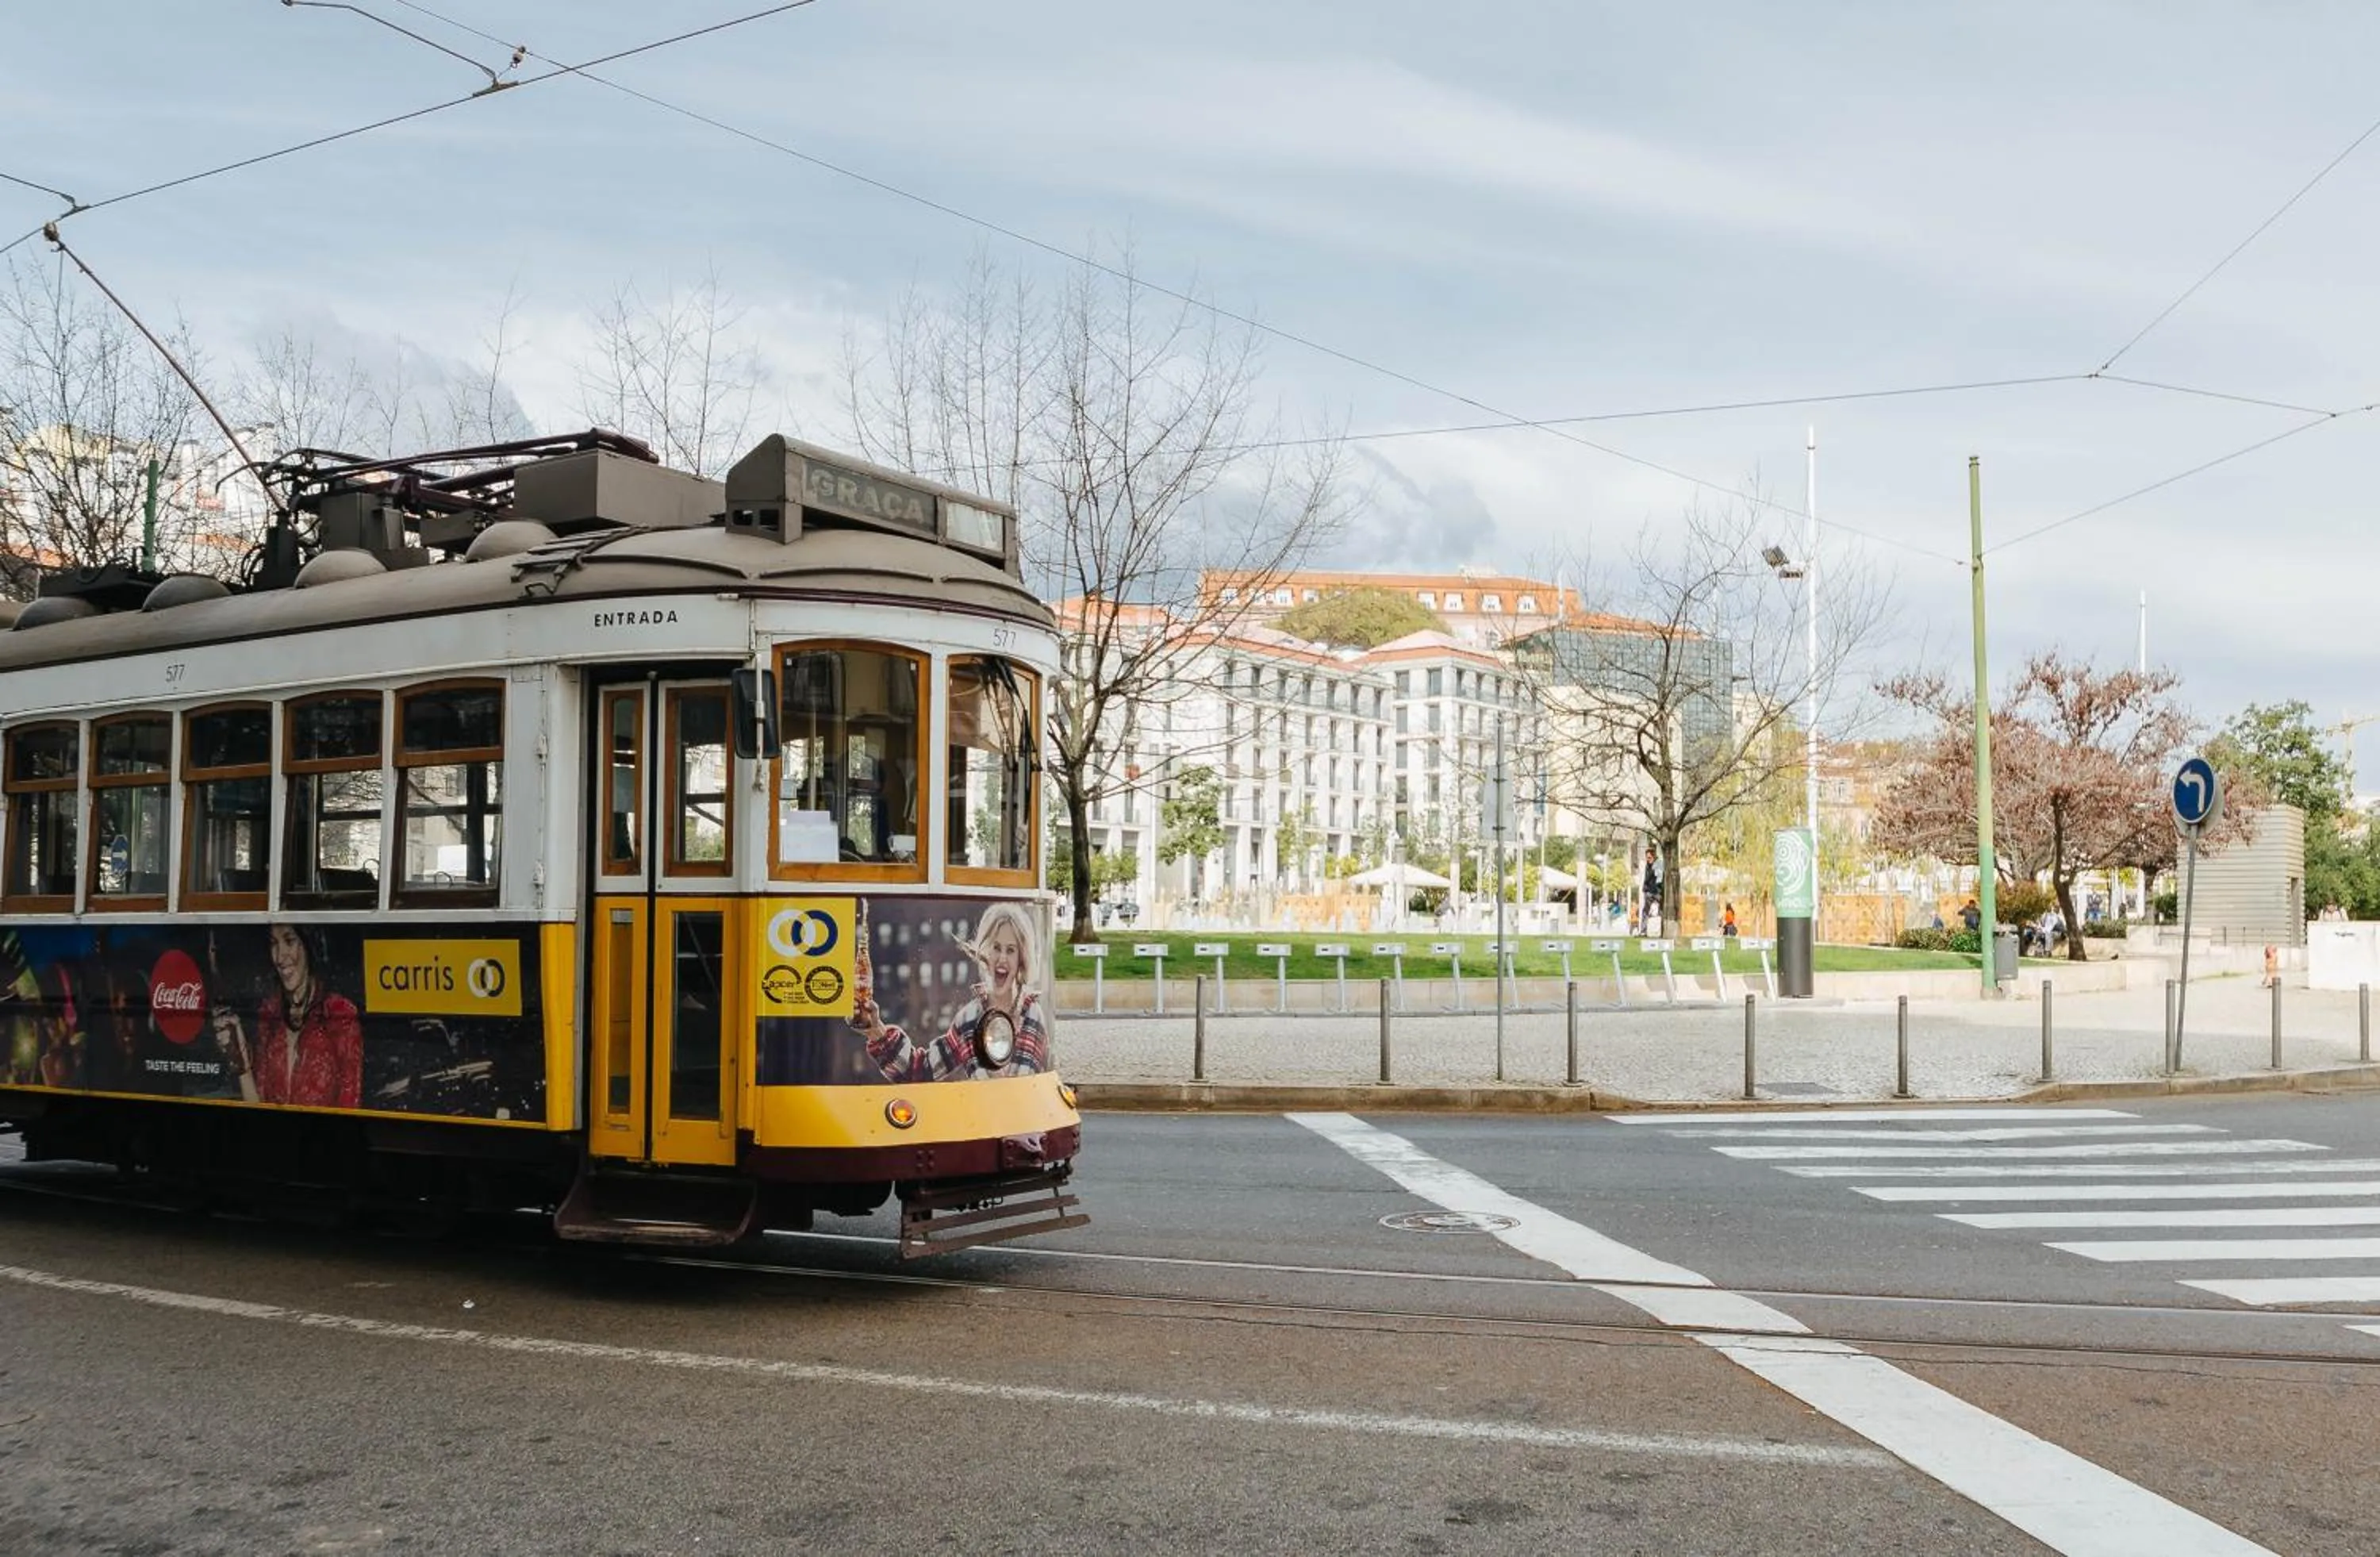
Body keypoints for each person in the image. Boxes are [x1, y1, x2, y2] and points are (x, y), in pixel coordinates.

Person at [854, 902, 1048, 1082]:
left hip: (1024, 1119)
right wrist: (876, 1031)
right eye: (996, 948)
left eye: (1011, 950)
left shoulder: (1033, 1014)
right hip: (980, 1119)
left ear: (1022, 958)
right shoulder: (969, 1018)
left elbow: (1034, 1091)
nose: (1002, 959)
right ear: (984, 952)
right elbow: (920, 1070)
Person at [213, 923, 362, 1108]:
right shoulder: (270, 1013)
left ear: (308, 946)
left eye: (289, 941)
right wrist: (241, 1061)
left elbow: (350, 1104)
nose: (280, 957)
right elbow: (257, 1106)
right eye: (274, 943)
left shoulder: (338, 1013)